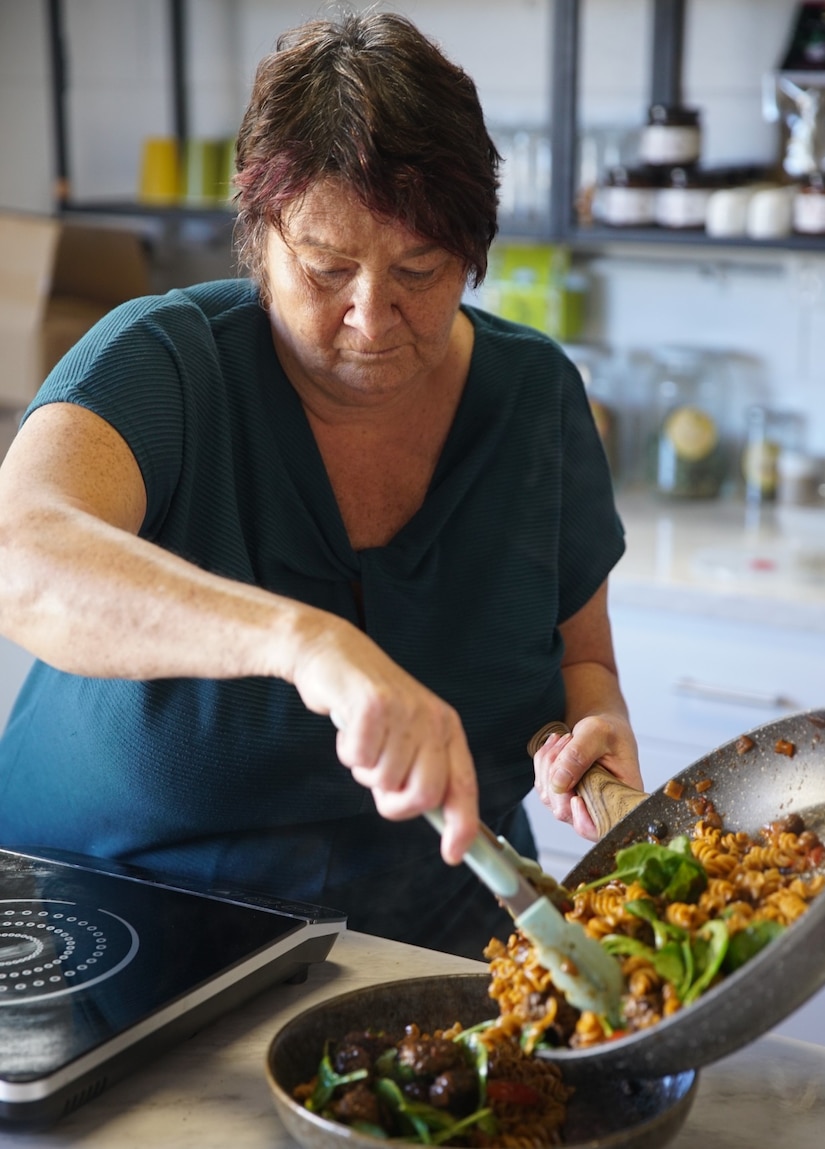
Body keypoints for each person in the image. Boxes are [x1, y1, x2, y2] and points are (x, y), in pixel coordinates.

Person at [0, 10, 641, 959]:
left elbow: (581, 667)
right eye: (328, 267)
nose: (371, 314)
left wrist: (598, 731)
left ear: (472, 251)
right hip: (109, 928)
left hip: (433, 950)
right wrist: (305, 643)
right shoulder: (164, 363)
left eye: (419, 269)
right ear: (260, 242)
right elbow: (22, 556)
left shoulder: (536, 395)